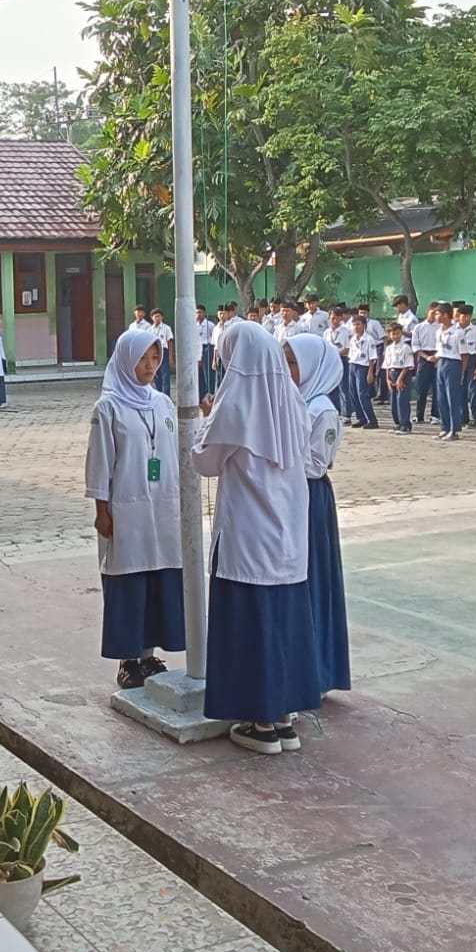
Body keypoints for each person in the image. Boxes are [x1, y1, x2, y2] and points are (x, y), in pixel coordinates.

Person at [193, 322, 319, 755]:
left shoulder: (236, 401)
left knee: (250, 626)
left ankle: (259, 723)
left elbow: (205, 462)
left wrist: (204, 420)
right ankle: (283, 718)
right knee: (282, 623)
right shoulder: (294, 400)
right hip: (289, 534)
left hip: (247, 534)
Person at [86, 328, 186, 689]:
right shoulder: (108, 407)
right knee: (129, 581)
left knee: (159, 579)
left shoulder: (163, 403)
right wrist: (102, 510)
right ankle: (128, 660)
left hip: (163, 508)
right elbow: (100, 463)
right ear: (126, 359)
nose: (149, 365)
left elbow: (176, 450)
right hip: (126, 507)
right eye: (142, 358)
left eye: (155, 358)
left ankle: (148, 655)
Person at [288, 335, 351, 701]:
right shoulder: (292, 400)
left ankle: (318, 670)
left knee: (312, 578)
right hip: (291, 494)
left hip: (310, 498)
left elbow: (314, 465)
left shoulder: (320, 409)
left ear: (313, 367)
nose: (286, 370)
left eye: (293, 363)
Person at [435, 303, 465, 441]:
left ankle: (454, 429)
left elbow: (464, 354)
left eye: (438, 313)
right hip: (441, 362)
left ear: (446, 315)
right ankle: (445, 426)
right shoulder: (439, 331)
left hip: (453, 363)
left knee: (452, 397)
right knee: (441, 397)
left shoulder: (458, 332)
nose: (435, 316)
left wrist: (462, 372)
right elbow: (439, 349)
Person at [345, 315, 379, 430]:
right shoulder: (353, 339)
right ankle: (361, 418)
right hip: (353, 365)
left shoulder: (369, 339)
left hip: (363, 367)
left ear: (364, 325)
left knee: (362, 394)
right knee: (353, 393)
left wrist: (370, 372)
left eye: (358, 324)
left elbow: (372, 358)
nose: (356, 327)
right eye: (354, 325)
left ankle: (372, 420)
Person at [382, 319, 414, 435]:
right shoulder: (389, 348)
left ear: (401, 333)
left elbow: (407, 365)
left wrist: (400, 379)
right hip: (392, 373)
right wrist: (387, 379)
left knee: (402, 400)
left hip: (402, 374)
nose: (394, 336)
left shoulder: (405, 347)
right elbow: (387, 365)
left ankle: (405, 424)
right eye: (392, 334)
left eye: (397, 333)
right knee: (393, 401)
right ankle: (398, 423)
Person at [456, 304, 476, 427]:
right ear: (459, 316)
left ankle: (475, 417)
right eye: (463, 316)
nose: (466, 318)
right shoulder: (454, 330)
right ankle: (463, 416)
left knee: (473, 390)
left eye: (468, 316)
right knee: (460, 389)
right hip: (458, 360)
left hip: (472, 361)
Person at [412, 301, 441, 425]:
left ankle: (435, 415)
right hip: (423, 357)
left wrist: (436, 357)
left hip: (437, 357)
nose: (434, 315)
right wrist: (426, 357)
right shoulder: (418, 327)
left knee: (437, 388)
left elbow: (442, 345)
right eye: (432, 312)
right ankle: (419, 415)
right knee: (421, 388)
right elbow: (415, 346)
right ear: (427, 312)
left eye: (436, 313)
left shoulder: (440, 327)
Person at [149, 308, 174, 395]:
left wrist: (171, 357)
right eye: (155, 316)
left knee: (165, 374)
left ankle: (166, 395)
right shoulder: (149, 330)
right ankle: (159, 394)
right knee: (156, 374)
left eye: (159, 316)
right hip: (154, 353)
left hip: (164, 351)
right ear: (152, 318)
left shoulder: (166, 328)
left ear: (162, 317)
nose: (157, 318)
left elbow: (170, 342)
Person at [195, 304, 215, 399]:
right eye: (196, 313)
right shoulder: (193, 325)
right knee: (199, 374)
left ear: (204, 313)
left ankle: (210, 395)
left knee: (208, 374)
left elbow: (213, 338)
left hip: (207, 348)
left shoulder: (210, 325)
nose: (198, 315)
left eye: (200, 312)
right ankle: (201, 396)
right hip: (196, 349)